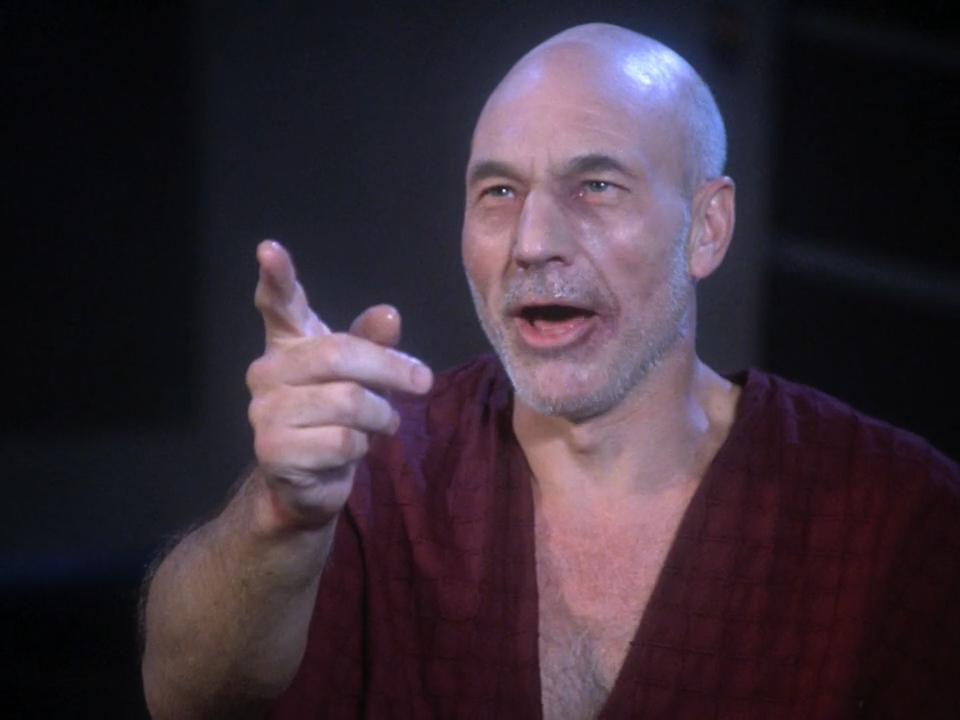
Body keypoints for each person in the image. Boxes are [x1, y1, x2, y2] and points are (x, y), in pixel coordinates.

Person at [140, 23, 960, 719]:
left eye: (595, 186)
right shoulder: (377, 462)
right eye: (499, 192)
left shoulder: (893, 514)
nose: (532, 242)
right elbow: (180, 694)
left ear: (707, 229)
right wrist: (280, 515)